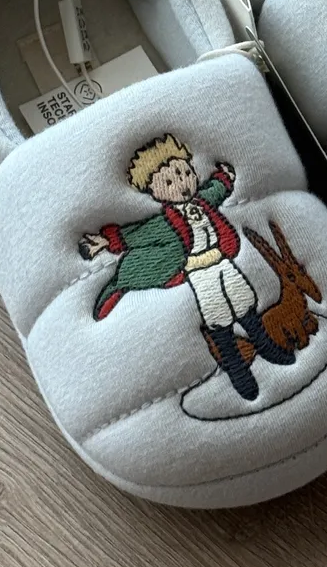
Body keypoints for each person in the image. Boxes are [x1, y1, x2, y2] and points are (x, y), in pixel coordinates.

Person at [80, 136, 293, 400]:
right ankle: (236, 369)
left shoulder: (202, 201)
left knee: (243, 301)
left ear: (192, 171)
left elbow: (216, 190)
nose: (181, 184)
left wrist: (224, 177)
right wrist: (105, 241)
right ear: (154, 192)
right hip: (199, 272)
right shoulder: (164, 223)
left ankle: (266, 346)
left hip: (222, 261)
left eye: (183, 174)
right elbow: (136, 234)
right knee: (218, 316)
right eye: (169, 182)